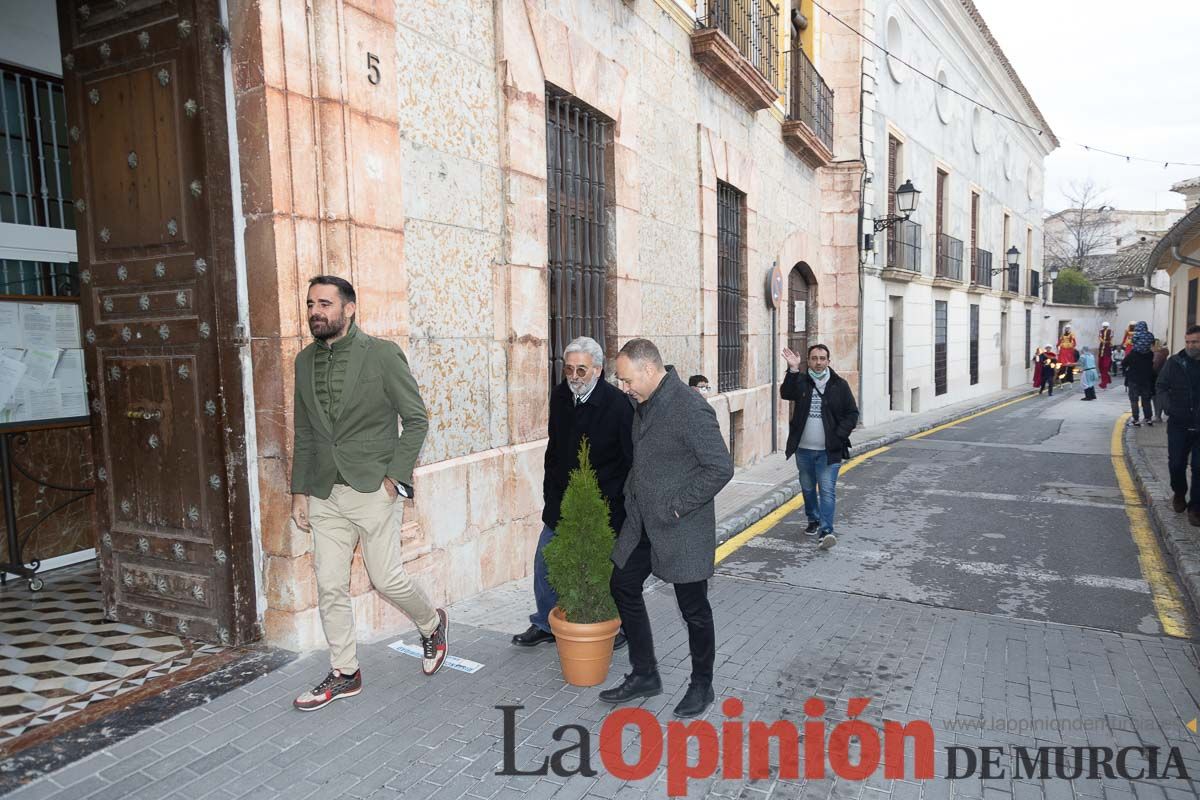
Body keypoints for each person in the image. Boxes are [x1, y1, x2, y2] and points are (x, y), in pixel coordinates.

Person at [290, 276, 448, 712]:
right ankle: (345, 672)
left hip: (373, 489)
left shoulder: (381, 355)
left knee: (386, 577)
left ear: (350, 308)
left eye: (325, 303)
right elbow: (304, 431)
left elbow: (415, 419)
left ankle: (431, 624)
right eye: (310, 304)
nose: (315, 312)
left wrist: (394, 478)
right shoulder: (303, 362)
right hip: (324, 491)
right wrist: (299, 491)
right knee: (329, 586)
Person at [600, 339, 734, 719]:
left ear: (648, 369)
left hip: (681, 527)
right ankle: (645, 674)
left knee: (693, 608)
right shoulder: (640, 402)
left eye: (627, 379)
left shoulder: (690, 407)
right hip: (642, 521)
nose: (624, 387)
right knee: (622, 584)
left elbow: (720, 467)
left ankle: (701, 685)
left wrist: (677, 506)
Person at [513, 337, 633, 649]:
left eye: (582, 370)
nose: (574, 377)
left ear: (598, 369)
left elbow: (630, 460)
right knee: (545, 559)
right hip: (562, 501)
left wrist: (620, 505)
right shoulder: (561, 396)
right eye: (569, 369)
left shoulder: (620, 406)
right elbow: (554, 448)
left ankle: (618, 625)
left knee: (607, 569)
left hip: (605, 504)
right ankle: (545, 623)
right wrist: (550, 493)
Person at [780, 344, 859, 548]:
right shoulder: (802, 381)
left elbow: (852, 414)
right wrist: (793, 369)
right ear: (809, 360)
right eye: (814, 358)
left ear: (828, 361)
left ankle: (826, 531)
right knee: (807, 488)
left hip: (828, 452)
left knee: (827, 490)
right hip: (804, 450)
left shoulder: (839, 385)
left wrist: (839, 435)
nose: (818, 362)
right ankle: (813, 519)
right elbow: (786, 393)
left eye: (822, 358)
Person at [1157, 326, 1200, 524]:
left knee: (1198, 467)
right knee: (1176, 464)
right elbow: (1161, 386)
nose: (1191, 346)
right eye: (1188, 341)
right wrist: (1169, 408)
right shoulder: (1174, 362)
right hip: (1178, 422)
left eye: (1195, 342)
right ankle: (1179, 492)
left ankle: (1196, 508)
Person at [1124, 322, 1156, 427]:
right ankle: (1148, 418)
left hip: (1133, 379)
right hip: (1146, 379)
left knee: (1134, 400)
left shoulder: (1133, 354)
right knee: (1146, 399)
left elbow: (1124, 363)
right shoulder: (1150, 354)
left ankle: (1136, 419)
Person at [1152, 341, 1169, 422]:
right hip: (1162, 379)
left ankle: (1158, 415)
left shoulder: (1157, 355)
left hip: (1157, 379)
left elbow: (1154, 367)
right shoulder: (1163, 356)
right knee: (1161, 397)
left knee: (1157, 398)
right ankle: (1159, 415)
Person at [1098, 322, 1114, 389]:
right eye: (1104, 326)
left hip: (1107, 351)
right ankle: (1107, 379)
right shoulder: (1100, 331)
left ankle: (1104, 383)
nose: (1104, 327)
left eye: (1106, 326)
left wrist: (1108, 342)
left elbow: (1111, 338)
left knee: (1105, 367)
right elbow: (1099, 337)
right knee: (1100, 366)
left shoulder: (1111, 331)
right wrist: (1103, 341)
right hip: (1101, 351)